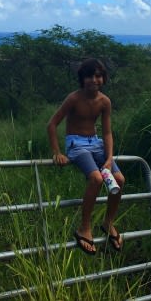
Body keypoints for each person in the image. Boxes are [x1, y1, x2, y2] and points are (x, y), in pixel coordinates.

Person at [47, 58, 125, 255]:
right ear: (82, 79)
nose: (94, 80)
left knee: (119, 179)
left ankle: (108, 223)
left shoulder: (104, 101)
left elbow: (107, 133)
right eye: (89, 76)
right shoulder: (74, 98)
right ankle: (84, 228)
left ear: (103, 78)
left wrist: (109, 158)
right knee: (96, 178)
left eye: (98, 76)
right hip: (76, 143)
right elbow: (52, 124)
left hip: (95, 143)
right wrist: (57, 153)